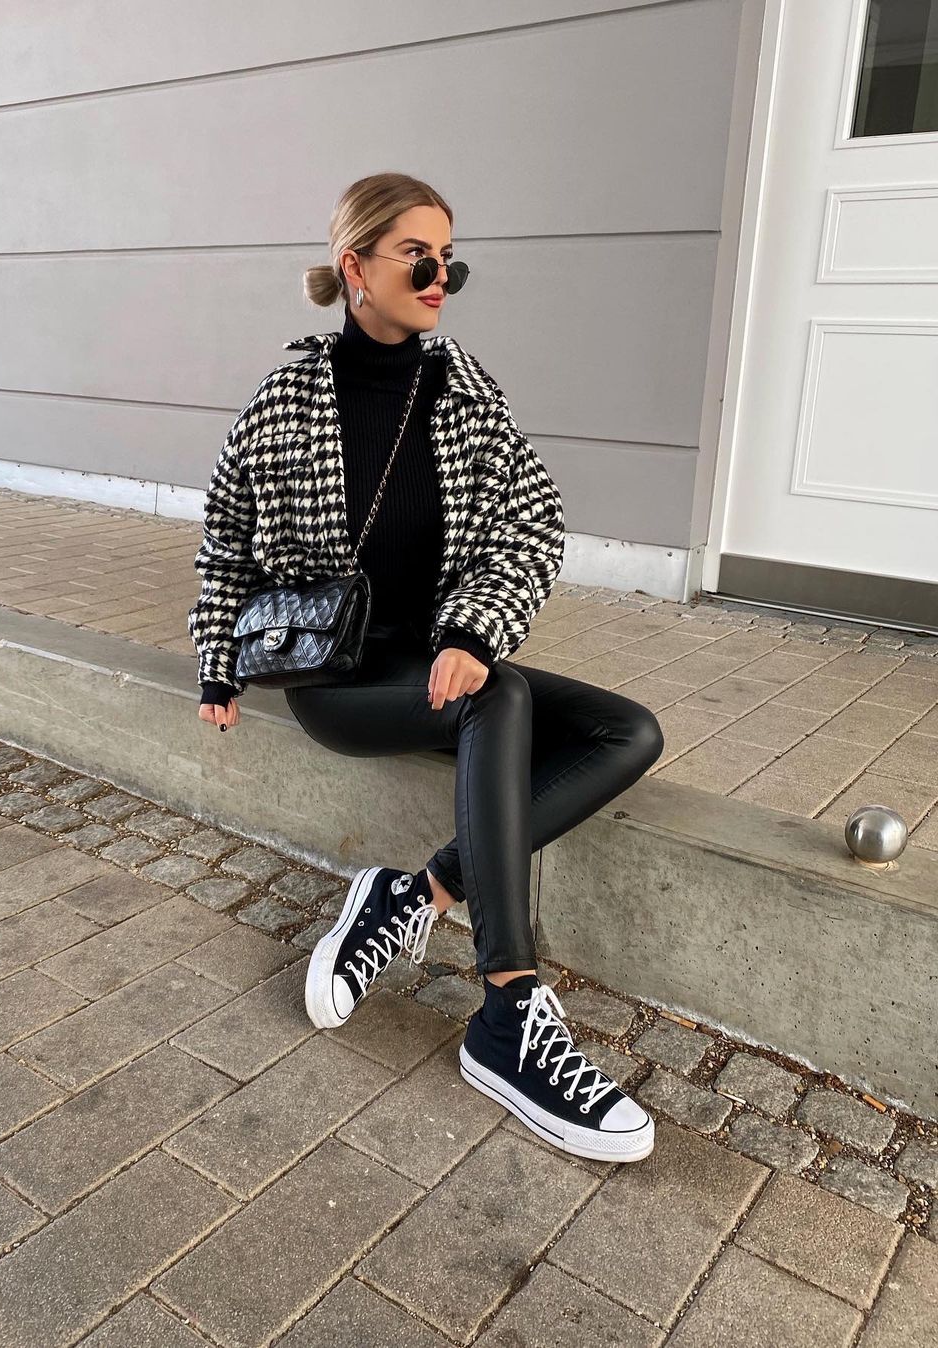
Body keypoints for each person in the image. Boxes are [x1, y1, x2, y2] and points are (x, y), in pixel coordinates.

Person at [189, 173, 665, 1163]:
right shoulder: (285, 400)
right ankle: (507, 1011)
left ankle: (415, 897)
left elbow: (533, 522)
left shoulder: (463, 388)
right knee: (505, 695)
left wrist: (473, 631)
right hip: (338, 675)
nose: (440, 274)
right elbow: (224, 540)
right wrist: (218, 664)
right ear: (356, 266)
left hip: (437, 659)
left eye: (449, 257)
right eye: (417, 255)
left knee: (627, 731)